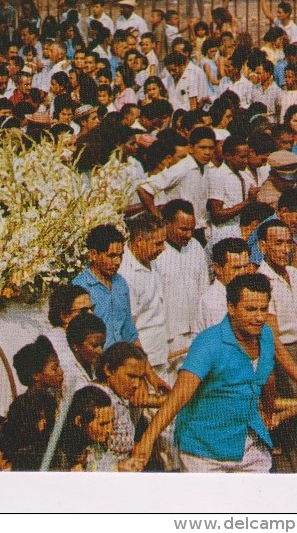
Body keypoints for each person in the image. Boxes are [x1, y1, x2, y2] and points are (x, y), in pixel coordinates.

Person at [132, 274, 277, 473]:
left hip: (250, 449)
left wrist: (269, 412)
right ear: (231, 308)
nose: (259, 317)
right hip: (204, 453)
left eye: (264, 309)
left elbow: (268, 376)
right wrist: (147, 441)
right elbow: (180, 395)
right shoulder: (209, 343)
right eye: (251, 310)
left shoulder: (266, 335)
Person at [256, 220, 297, 402]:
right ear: (263, 246)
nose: (286, 249)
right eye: (278, 243)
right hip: (283, 357)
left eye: (288, 242)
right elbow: (273, 341)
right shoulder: (261, 282)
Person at [156, 200, 210, 373]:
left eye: (191, 229)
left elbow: (204, 291)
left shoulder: (196, 247)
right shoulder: (156, 253)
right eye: (183, 229)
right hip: (168, 335)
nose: (188, 235)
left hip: (195, 332)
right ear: (166, 224)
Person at [139, 126, 215, 245]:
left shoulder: (206, 168)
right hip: (178, 231)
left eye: (211, 148)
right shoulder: (182, 167)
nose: (207, 152)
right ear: (191, 148)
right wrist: (158, 219)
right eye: (202, 147)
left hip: (199, 229)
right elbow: (144, 189)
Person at [118, 213, 170, 380]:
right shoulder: (125, 273)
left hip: (160, 355)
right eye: (158, 243)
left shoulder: (152, 262)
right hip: (142, 364)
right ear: (139, 240)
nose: (164, 248)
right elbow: (129, 328)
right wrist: (144, 368)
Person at [50, 385, 119, 471]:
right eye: (103, 424)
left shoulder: (97, 443)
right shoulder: (58, 456)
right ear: (79, 421)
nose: (110, 429)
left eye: (111, 422)